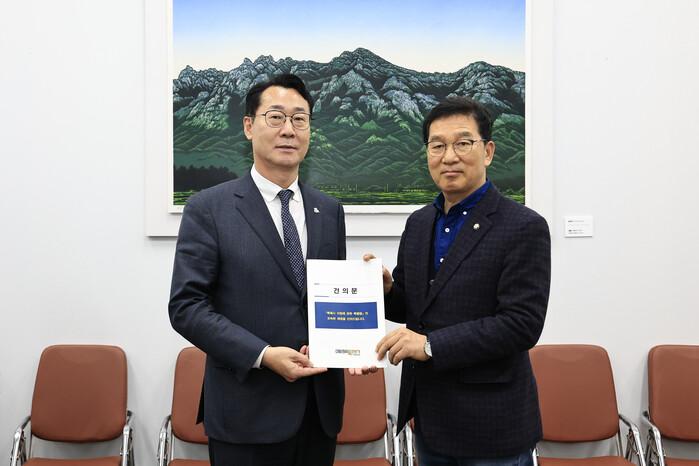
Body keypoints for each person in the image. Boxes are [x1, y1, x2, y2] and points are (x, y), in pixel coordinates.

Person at [169, 74, 346, 466]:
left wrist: (353, 345)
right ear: (249, 126)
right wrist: (263, 354)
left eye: (300, 119)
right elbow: (187, 307)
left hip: (318, 412)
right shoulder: (209, 209)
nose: (289, 130)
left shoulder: (329, 210)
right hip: (245, 411)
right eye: (276, 117)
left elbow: (328, 301)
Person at [363, 96, 551, 465]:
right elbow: (414, 306)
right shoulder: (419, 224)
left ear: (488, 151)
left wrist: (430, 345)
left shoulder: (523, 226)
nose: (449, 156)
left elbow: (521, 324)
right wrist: (386, 291)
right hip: (430, 420)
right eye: (437, 145)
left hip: (492, 426)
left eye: (463, 143)